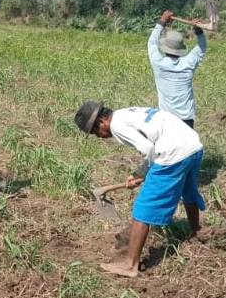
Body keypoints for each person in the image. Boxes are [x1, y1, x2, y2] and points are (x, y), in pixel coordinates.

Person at [75, 100, 205, 278]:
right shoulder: (124, 114)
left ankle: (130, 265)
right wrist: (138, 172)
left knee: (143, 209)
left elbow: (149, 148)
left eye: (95, 132)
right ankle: (196, 231)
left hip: (172, 152)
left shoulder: (117, 126)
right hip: (192, 144)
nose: (99, 137)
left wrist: (143, 172)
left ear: (101, 122)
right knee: (188, 191)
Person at [148, 10, 207, 128]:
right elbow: (202, 47)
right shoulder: (188, 63)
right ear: (180, 49)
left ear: (165, 48)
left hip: (166, 119)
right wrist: (198, 31)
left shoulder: (158, 63)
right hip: (187, 119)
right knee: (186, 146)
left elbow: (151, 43)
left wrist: (162, 21)